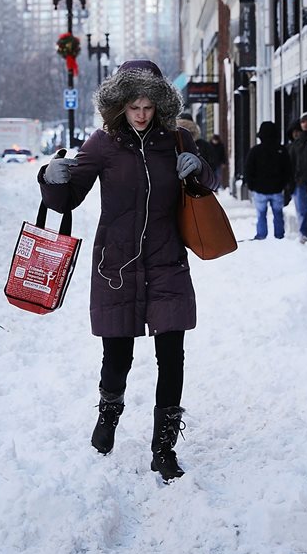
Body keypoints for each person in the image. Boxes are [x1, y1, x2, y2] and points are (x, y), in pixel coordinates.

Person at [39, 59, 216, 481]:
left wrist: (199, 170)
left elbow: (204, 185)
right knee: (117, 356)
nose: (140, 114)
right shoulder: (102, 144)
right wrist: (52, 176)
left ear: (159, 105)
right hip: (116, 264)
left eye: (148, 106)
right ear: (119, 105)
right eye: (133, 106)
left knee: (172, 357)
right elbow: (66, 201)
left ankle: (164, 447)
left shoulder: (177, 140)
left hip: (167, 261)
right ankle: (109, 412)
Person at [243, 120, 291, 240]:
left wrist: (251, 185)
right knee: (278, 214)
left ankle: (261, 234)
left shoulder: (255, 151)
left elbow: (248, 169)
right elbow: (287, 169)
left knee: (261, 214)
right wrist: (283, 184)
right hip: (277, 188)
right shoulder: (281, 150)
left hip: (259, 189)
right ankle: (279, 234)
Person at [288, 111, 307, 243]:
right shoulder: (297, 143)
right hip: (298, 180)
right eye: (303, 122)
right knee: (301, 208)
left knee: (304, 208)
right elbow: (291, 162)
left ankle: (306, 233)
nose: (306, 124)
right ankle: (304, 232)